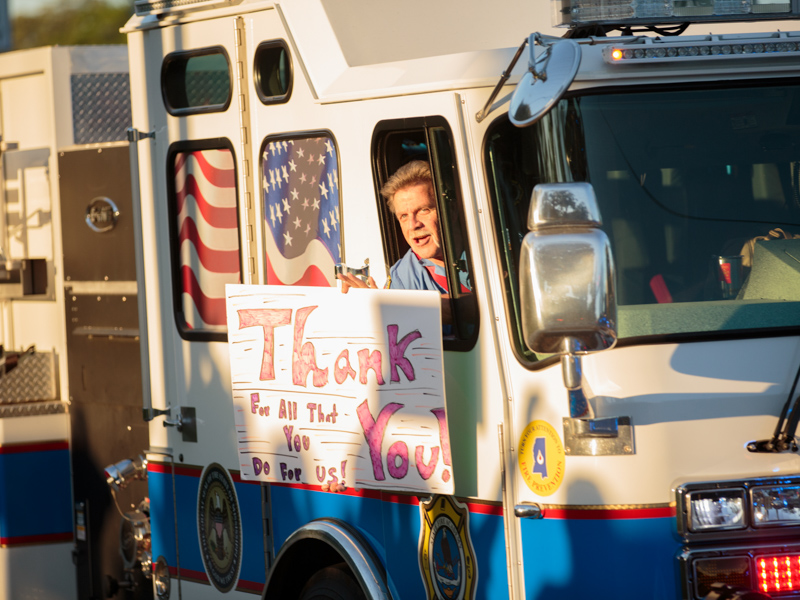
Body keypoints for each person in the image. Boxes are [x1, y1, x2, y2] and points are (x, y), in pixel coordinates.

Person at [338, 161, 470, 295]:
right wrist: (378, 308)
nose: (413, 225)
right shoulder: (401, 278)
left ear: (452, 210)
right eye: (404, 216)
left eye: (423, 210)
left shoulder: (487, 243)